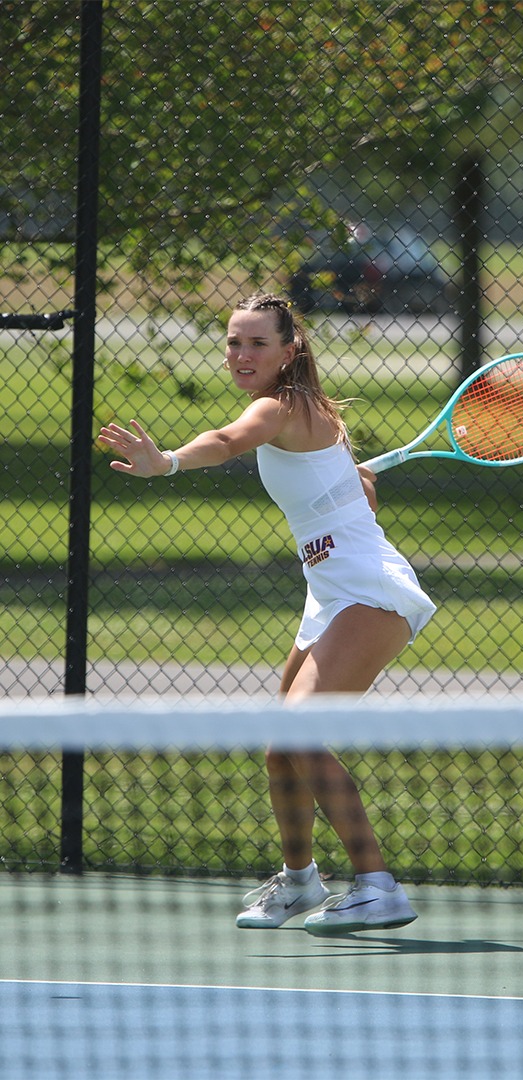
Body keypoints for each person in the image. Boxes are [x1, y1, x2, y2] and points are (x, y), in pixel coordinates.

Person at [97, 291, 435, 935]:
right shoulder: (316, 415)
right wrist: (351, 482)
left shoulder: (280, 407)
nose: (242, 354)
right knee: (282, 748)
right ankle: (302, 880)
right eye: (233, 341)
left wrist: (166, 461)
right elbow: (357, 492)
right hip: (329, 593)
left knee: (302, 735)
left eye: (257, 342)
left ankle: (378, 886)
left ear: (289, 350)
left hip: (369, 590)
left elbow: (228, 441)